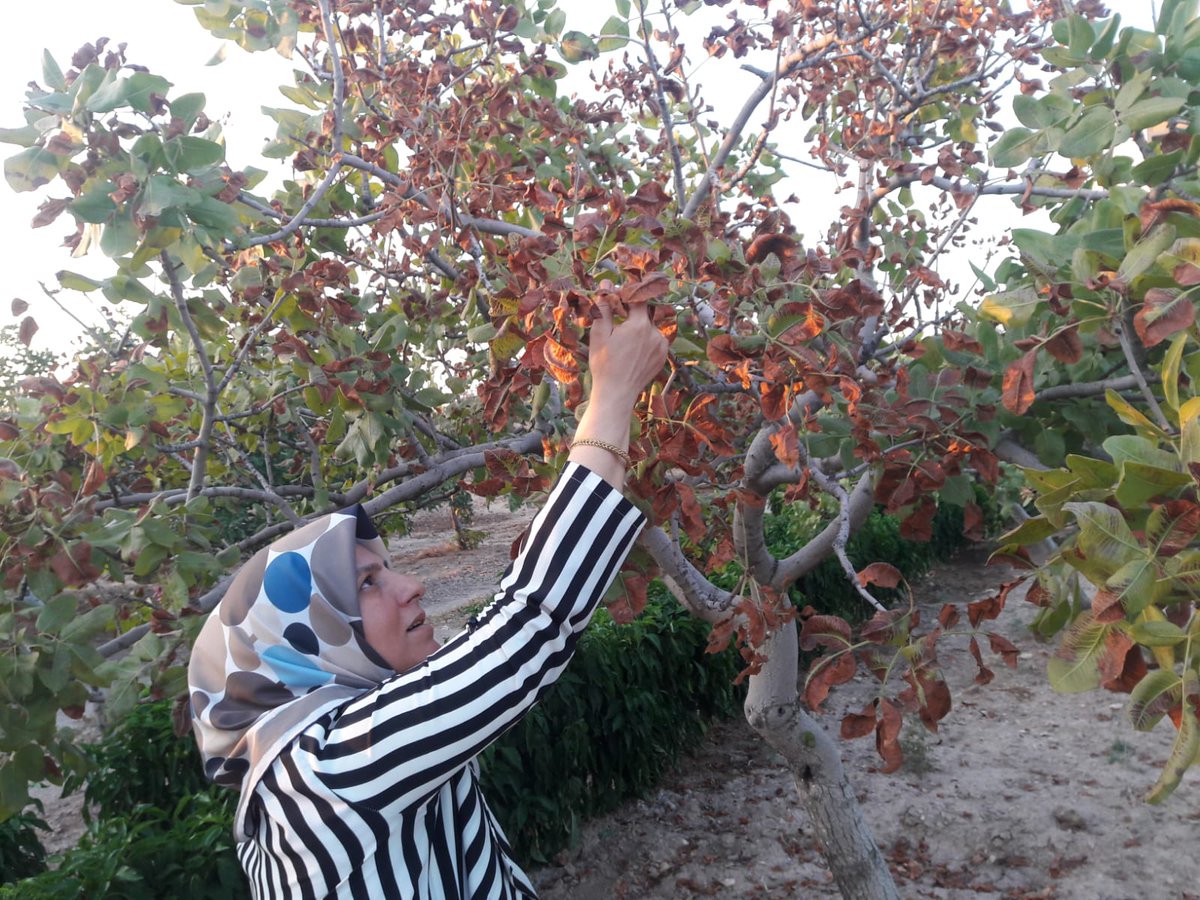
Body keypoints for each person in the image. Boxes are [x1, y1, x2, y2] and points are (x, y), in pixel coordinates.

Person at [187, 296, 668, 899]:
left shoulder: (305, 771)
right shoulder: (330, 773)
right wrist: (614, 391)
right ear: (304, 642)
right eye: (367, 583)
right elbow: (530, 619)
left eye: (388, 569)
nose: (411, 585)